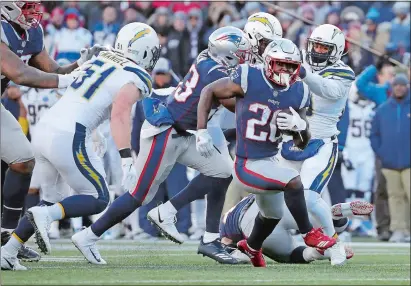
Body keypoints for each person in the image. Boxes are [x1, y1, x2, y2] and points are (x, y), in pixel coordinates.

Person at [72, 26, 251, 265]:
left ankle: (207, 237)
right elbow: (233, 103)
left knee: (223, 171)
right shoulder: (214, 71)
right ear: (227, 54)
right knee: (139, 195)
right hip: (164, 132)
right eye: (241, 54)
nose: (245, 59)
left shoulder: (208, 60)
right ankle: (88, 235)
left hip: (184, 134)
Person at [1, 22, 160, 271]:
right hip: (69, 134)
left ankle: (8, 251)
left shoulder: (100, 59)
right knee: (98, 198)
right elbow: (120, 114)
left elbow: (78, 94)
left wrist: (94, 131)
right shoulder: (136, 76)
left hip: (45, 128)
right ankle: (51, 220)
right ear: (146, 51)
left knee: (51, 200)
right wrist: (127, 157)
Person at [196, 38, 337, 268]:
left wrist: (299, 126)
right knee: (293, 181)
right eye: (281, 64)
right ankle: (309, 234)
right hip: (247, 163)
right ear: (269, 61)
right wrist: (202, 131)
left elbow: (302, 143)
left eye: (291, 66)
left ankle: (251, 247)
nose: (285, 70)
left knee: (272, 215)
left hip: (270, 160)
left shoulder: (299, 91)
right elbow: (209, 90)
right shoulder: (248, 76)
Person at [1, 0, 103, 264]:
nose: (33, 13)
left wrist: (80, 65)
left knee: (23, 161)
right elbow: (20, 74)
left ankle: (5, 236)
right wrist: (64, 80)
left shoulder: (31, 32)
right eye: (26, 7)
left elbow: (54, 70)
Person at [277, 24, 356, 266]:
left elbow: (327, 89)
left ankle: (334, 242)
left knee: (309, 197)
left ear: (337, 50)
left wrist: (300, 72)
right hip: (292, 139)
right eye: (316, 46)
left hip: (321, 142)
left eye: (324, 47)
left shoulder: (344, 72)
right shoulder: (302, 64)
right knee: (273, 200)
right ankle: (336, 217)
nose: (318, 51)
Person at [220, 194, 373, 264]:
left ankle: (320, 252)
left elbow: (226, 245)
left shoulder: (225, 226)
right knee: (321, 220)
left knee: (292, 255)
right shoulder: (244, 201)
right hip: (274, 204)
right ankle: (336, 216)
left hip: (253, 226)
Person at [370, 73, 410, 243]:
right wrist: (383, 153)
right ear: (392, 87)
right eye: (397, 85)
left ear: (407, 87)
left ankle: (407, 229)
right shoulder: (383, 109)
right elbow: (374, 135)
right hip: (389, 163)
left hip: (409, 163)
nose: (399, 88)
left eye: (403, 85)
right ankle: (399, 230)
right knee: (394, 197)